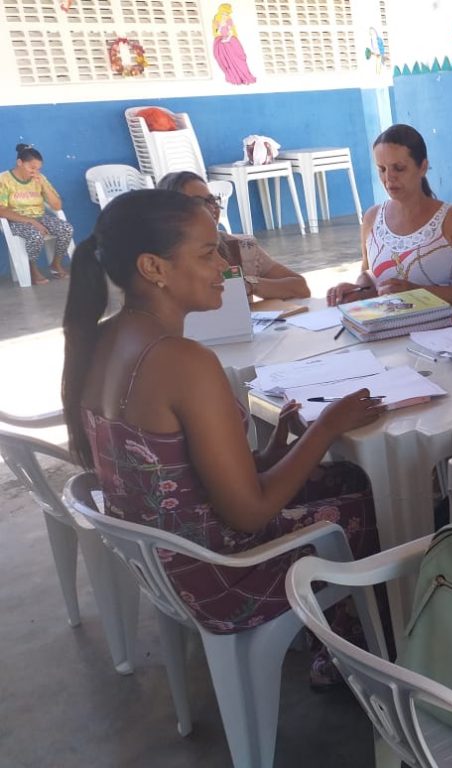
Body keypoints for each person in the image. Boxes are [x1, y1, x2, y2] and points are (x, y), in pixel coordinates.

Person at [61, 189, 381, 685]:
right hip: (222, 577)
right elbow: (250, 514)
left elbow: (173, 473)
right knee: (372, 505)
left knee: (343, 477)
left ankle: (332, 637)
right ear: (153, 267)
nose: (225, 268)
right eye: (208, 253)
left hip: (168, 565)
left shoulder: (102, 338)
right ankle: (358, 653)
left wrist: (267, 455)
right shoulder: (181, 361)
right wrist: (326, 427)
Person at [326, 124, 452, 324]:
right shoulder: (372, 218)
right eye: (382, 169)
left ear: (422, 167)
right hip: (386, 331)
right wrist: (359, 290)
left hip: (447, 335)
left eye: (399, 168)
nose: (388, 178)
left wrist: (419, 294)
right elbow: (369, 274)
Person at [157, 171, 311, 301]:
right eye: (198, 202)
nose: (211, 207)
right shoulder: (160, 262)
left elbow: (300, 287)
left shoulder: (242, 247)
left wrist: (249, 284)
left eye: (212, 200)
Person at [0, 143, 74, 285]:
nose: (35, 172)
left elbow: (57, 206)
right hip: (15, 220)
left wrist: (43, 185)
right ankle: (32, 268)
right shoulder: (4, 180)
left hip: (39, 216)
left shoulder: (40, 178)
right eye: (32, 168)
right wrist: (31, 221)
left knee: (66, 229)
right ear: (19, 163)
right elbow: (1, 210)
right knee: (35, 234)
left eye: (38, 169)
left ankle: (55, 264)